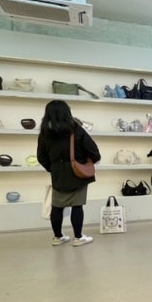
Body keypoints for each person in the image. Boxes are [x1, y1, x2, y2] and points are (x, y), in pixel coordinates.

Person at [37, 100, 101, 246]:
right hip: (77, 173)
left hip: (58, 174)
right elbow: (93, 151)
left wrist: (53, 168)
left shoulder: (45, 133)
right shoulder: (76, 129)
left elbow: (41, 157)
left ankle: (58, 237)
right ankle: (78, 237)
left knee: (57, 206)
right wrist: (88, 161)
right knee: (77, 206)